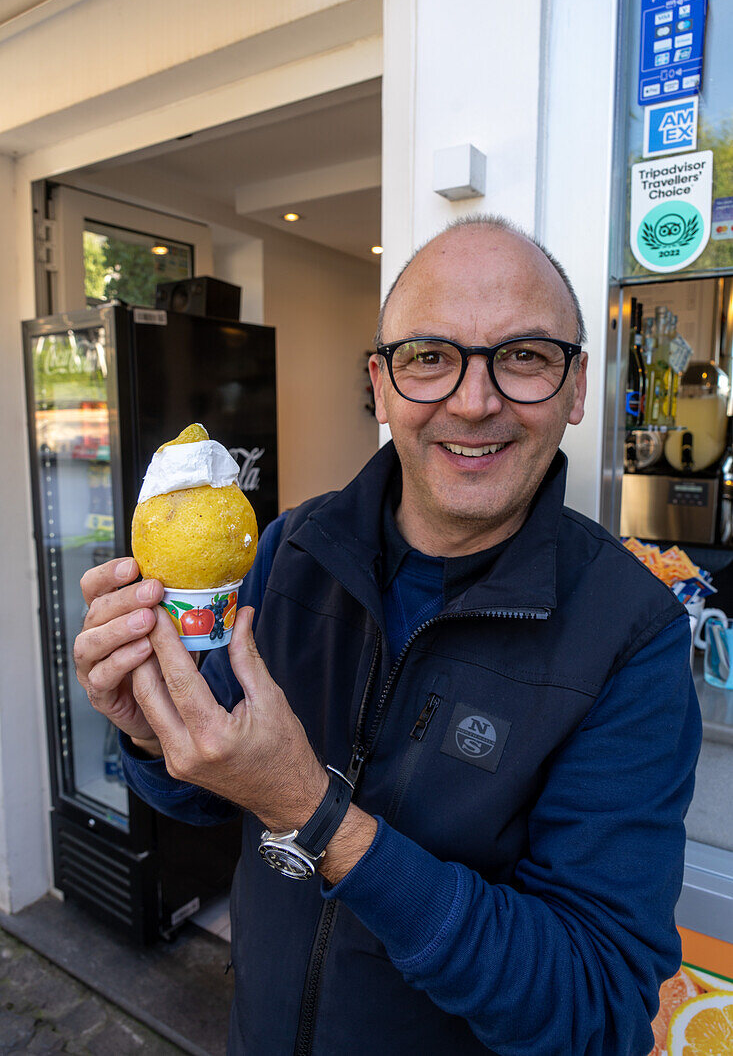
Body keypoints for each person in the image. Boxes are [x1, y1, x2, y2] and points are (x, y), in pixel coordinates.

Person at [73, 216, 701, 1056]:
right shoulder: (286, 550)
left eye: (522, 356)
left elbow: (595, 1008)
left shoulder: (631, 636)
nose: (473, 402)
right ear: (381, 381)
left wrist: (313, 812)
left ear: (575, 386)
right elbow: (207, 794)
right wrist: (153, 737)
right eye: (429, 356)